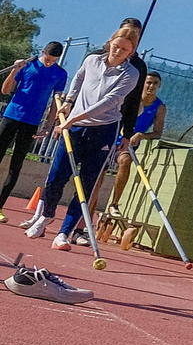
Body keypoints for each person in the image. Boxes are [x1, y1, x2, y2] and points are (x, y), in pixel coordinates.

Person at [24, 23, 145, 248]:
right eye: (116, 46)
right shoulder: (91, 60)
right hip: (76, 129)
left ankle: (65, 232)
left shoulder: (131, 74)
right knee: (56, 178)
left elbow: (108, 102)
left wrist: (72, 120)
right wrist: (69, 102)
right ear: (110, 43)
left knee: (86, 186)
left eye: (124, 50)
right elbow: (78, 80)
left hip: (103, 130)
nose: (117, 52)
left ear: (131, 52)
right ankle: (46, 216)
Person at [1, 41, 69, 209]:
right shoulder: (28, 65)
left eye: (53, 60)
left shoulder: (60, 74)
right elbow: (5, 90)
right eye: (47, 59)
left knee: (16, 166)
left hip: (31, 123)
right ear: (42, 52)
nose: (49, 63)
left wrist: (48, 125)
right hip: (11, 116)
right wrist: (15, 70)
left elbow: (56, 101)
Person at [104, 70, 168, 240]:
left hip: (131, 143)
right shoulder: (131, 98)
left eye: (155, 83)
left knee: (125, 161)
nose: (151, 86)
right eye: (148, 83)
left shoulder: (159, 107)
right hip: (114, 136)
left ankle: (115, 203)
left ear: (159, 86)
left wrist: (141, 135)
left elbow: (157, 133)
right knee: (99, 170)